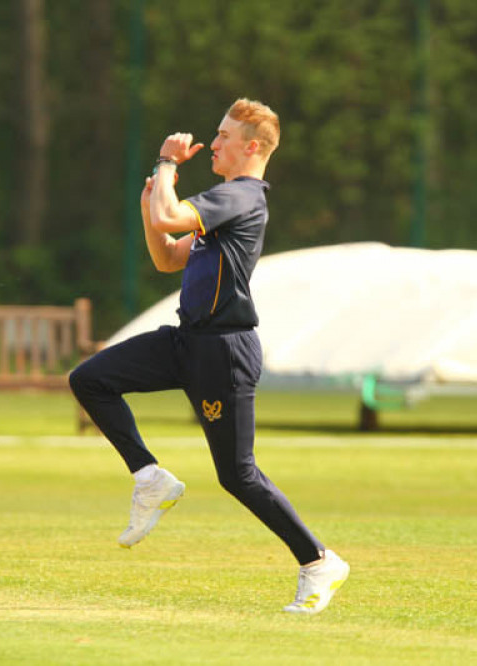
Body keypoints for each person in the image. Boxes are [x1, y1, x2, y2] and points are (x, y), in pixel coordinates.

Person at [69, 99, 349, 614]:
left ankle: (318, 561)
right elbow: (167, 255)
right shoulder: (226, 200)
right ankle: (150, 477)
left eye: (222, 136)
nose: (213, 143)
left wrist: (167, 164)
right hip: (187, 341)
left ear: (250, 146)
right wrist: (148, 202)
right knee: (91, 379)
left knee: (237, 475)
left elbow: (174, 216)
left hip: (224, 351)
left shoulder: (241, 195)